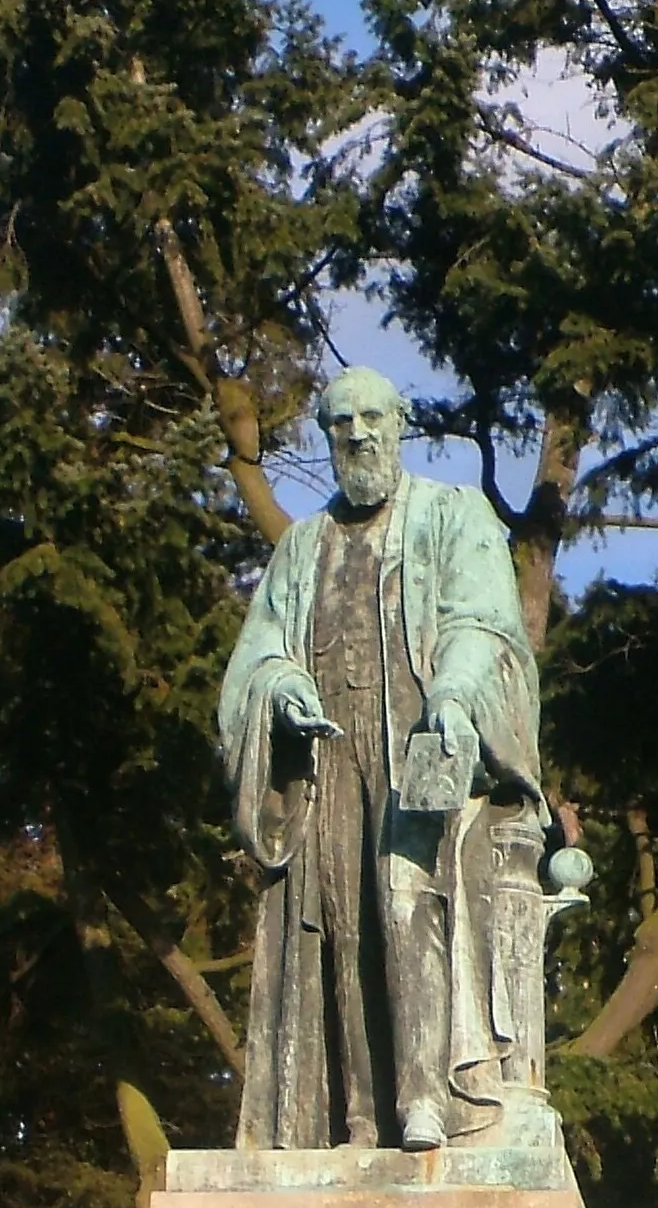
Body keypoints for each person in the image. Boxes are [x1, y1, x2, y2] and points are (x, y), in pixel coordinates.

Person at [218, 368, 550, 1152]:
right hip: (330, 759)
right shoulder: (302, 546)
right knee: (339, 921)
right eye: (341, 424)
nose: (358, 434)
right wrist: (285, 686)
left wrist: (455, 692)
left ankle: (425, 1097)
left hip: (416, 751)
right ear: (328, 438)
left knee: (409, 904)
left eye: (372, 418)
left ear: (399, 425)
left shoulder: (450, 514)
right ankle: (356, 1116)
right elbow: (259, 653)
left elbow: (485, 624)